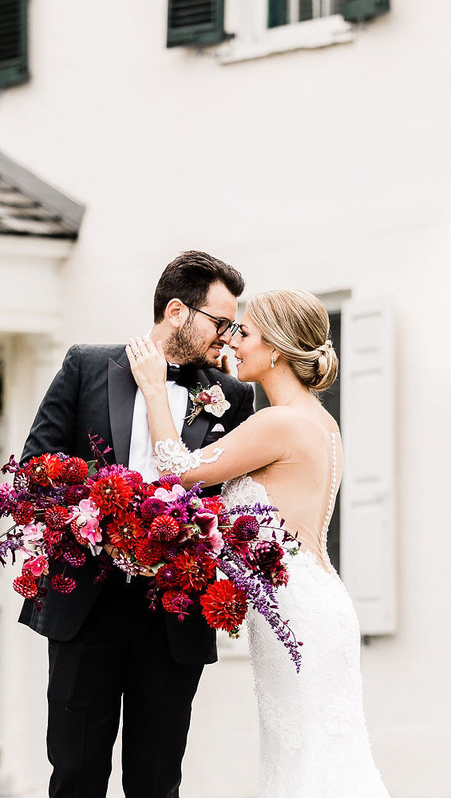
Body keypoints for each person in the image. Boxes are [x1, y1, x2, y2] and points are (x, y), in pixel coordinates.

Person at [126, 288, 391, 797]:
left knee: (307, 760)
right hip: (317, 602)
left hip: (295, 611)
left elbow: (179, 472)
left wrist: (156, 390)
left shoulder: (278, 423)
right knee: (318, 754)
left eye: (243, 333)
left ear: (276, 349)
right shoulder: (319, 421)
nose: (232, 342)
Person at [18, 250, 255, 798]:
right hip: (88, 604)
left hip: (173, 613)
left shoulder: (232, 396)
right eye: (221, 323)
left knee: (156, 780)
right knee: (75, 774)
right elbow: (36, 468)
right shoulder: (86, 365)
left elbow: (231, 501)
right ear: (177, 312)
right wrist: (101, 510)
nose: (228, 336)